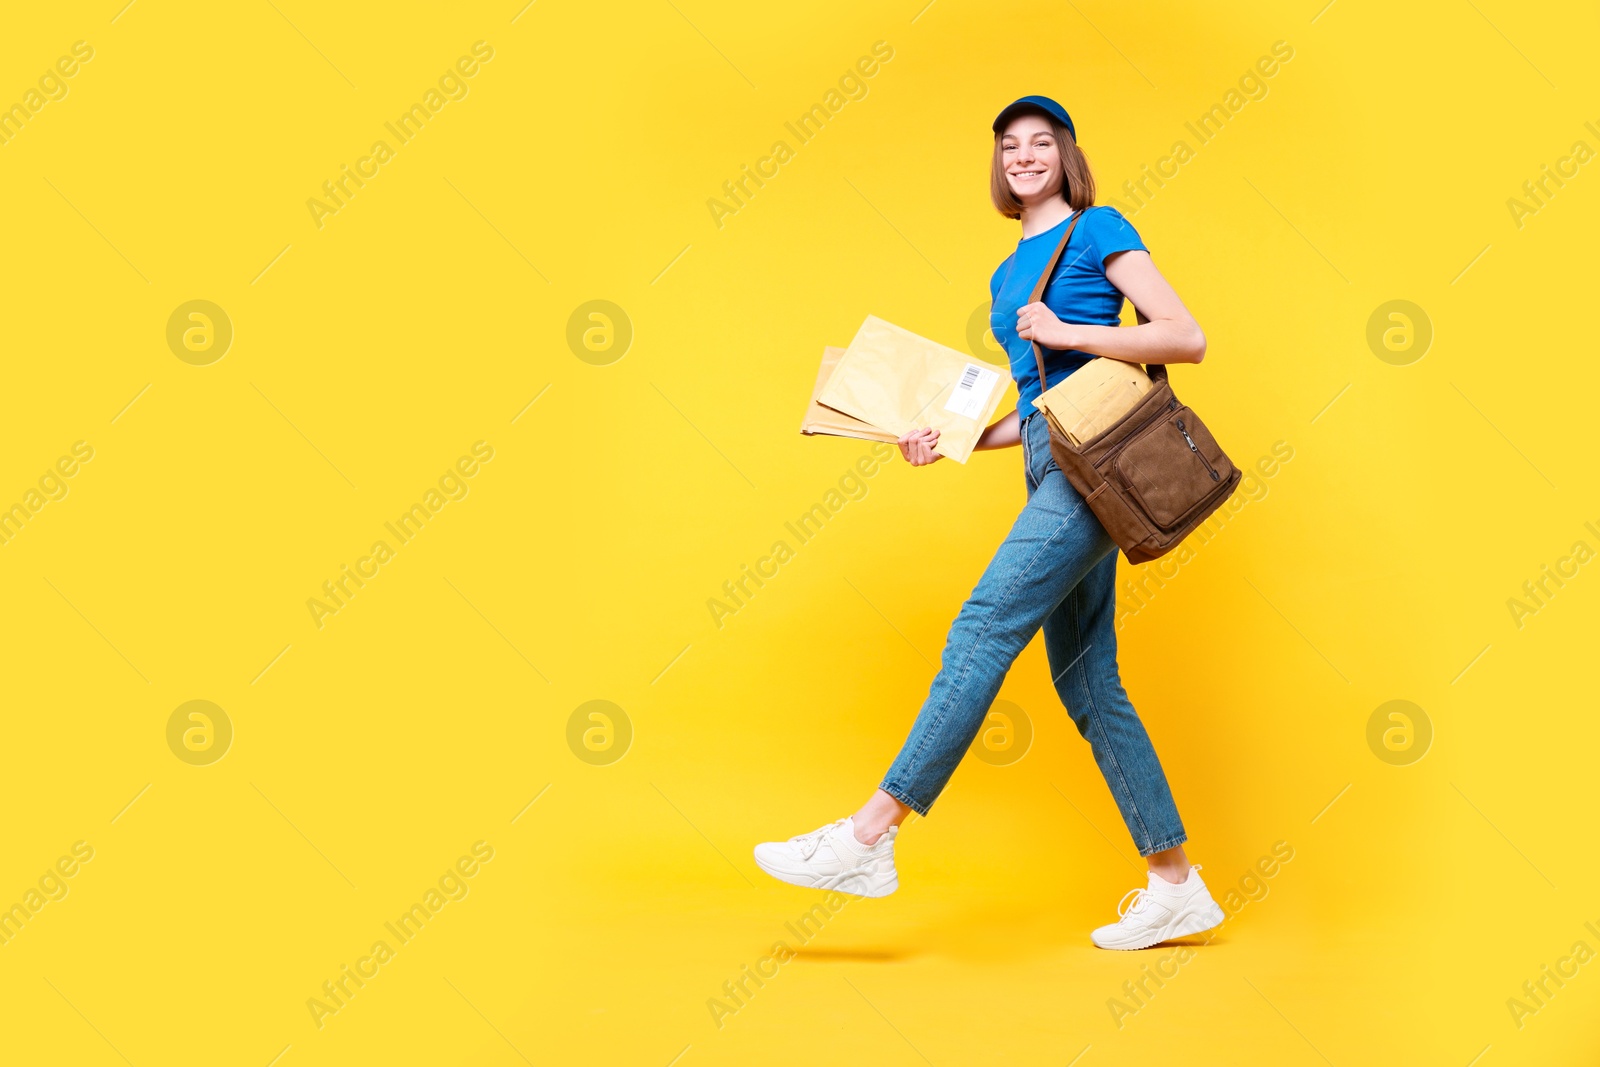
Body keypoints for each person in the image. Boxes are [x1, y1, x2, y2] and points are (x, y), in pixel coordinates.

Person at [754, 96, 1226, 950]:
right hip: (1055, 460)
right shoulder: (1006, 274)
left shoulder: (1099, 226)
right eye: (1011, 145)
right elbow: (1037, 408)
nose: (1024, 155)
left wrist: (1070, 327)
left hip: (1099, 469)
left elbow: (1184, 336)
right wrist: (954, 440)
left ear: (1067, 157)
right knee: (1090, 685)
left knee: (981, 627)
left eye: (1042, 143)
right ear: (1000, 166)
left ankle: (870, 835)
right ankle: (1176, 884)